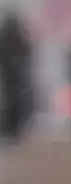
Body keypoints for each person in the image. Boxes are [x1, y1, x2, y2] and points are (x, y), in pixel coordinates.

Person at [0, 10, 35, 144]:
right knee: (15, 103)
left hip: (11, 78)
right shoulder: (19, 37)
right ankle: (12, 133)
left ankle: (11, 132)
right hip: (13, 78)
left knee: (13, 103)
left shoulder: (7, 36)